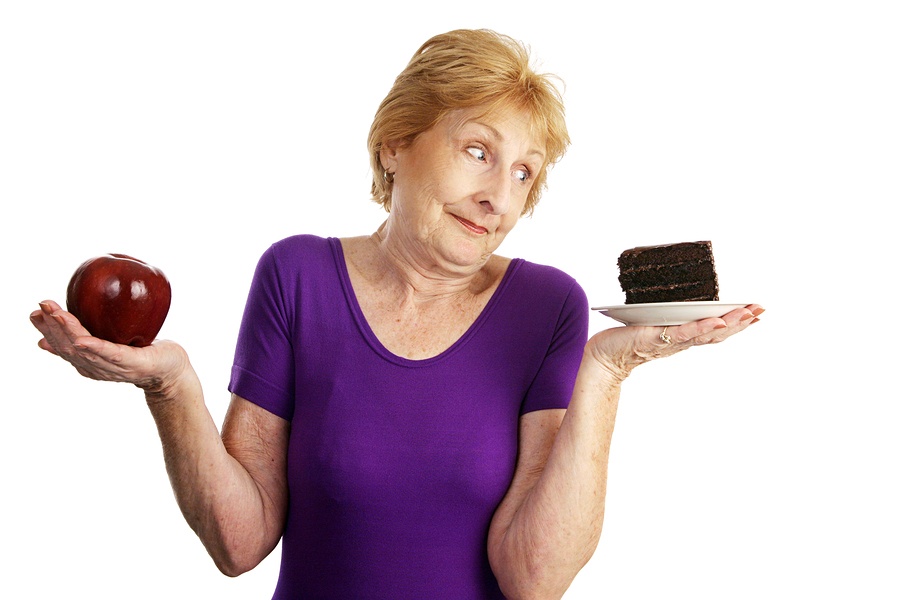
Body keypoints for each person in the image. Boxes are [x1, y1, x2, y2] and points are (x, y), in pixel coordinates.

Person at [30, 29, 763, 599]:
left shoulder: (548, 307)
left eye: (523, 171)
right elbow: (240, 544)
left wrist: (608, 369)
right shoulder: (296, 276)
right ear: (395, 146)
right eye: (478, 150)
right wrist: (170, 387)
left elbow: (532, 580)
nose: (499, 197)